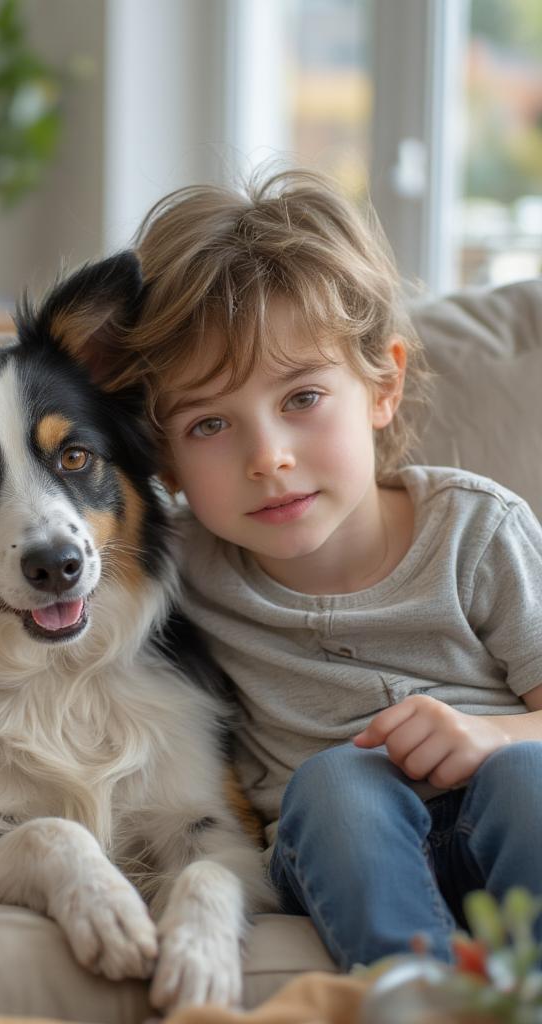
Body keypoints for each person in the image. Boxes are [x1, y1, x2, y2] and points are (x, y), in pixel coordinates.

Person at [119, 167, 542, 971]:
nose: (268, 459)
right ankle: (417, 998)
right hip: (347, 856)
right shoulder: (178, 566)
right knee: (335, 785)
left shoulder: (477, 531)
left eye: (302, 398)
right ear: (163, 458)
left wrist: (490, 737)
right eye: (210, 423)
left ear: (384, 383)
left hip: (510, 824)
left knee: (530, 777)